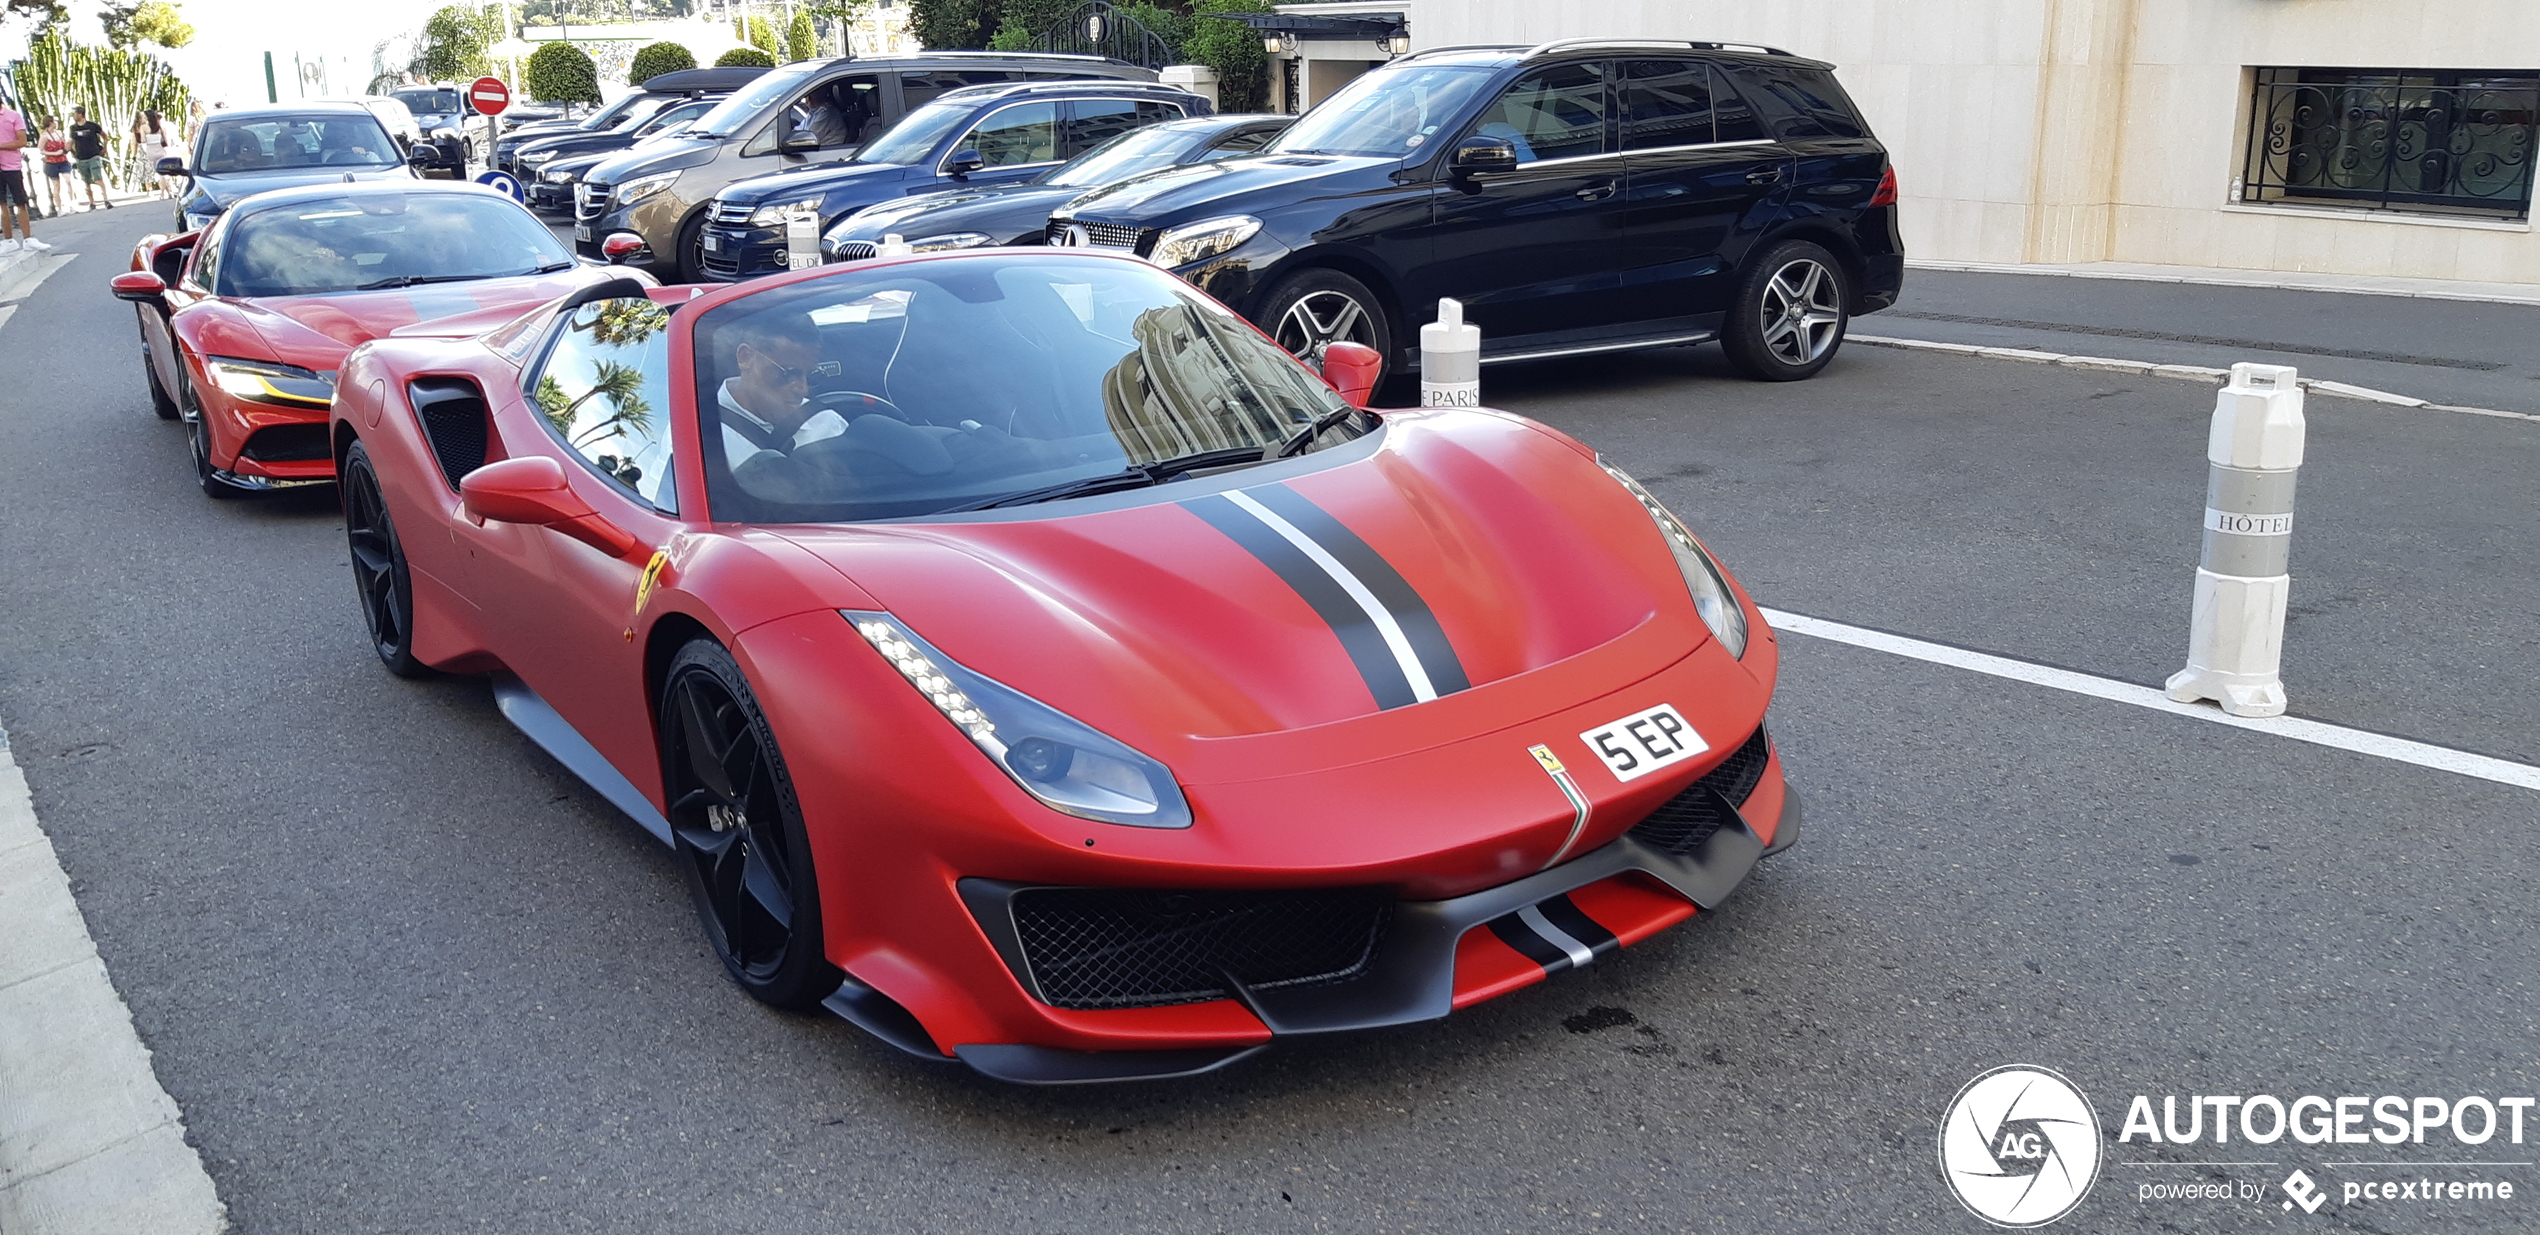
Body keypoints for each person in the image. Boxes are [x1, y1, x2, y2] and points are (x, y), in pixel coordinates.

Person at [717, 314, 839, 469]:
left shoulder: (827, 422)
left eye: (811, 375)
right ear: (746, 357)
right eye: (788, 373)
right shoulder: (704, 440)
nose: (803, 389)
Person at [0, 96, 45, 253]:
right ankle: (8, 240)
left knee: (20, 202)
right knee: (2, 204)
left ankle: (28, 238)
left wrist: (1, 146)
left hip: (12, 166)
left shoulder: (13, 116)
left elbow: (21, 141)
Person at [68, 107, 108, 211]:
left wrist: (104, 148)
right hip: (81, 157)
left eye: (75, 114)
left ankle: (106, 199)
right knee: (86, 181)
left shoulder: (92, 126)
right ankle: (92, 202)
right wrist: (71, 151)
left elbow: (104, 136)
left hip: (94, 154)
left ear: (80, 114)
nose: (74, 116)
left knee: (97, 178)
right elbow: (71, 140)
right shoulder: (73, 128)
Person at [38, 116, 70, 219]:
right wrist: (53, 153)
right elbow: (40, 149)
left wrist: (64, 150)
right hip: (52, 162)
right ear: (51, 123)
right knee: (56, 185)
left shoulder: (59, 133)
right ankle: (59, 208)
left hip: (63, 160)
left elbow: (65, 144)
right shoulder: (44, 136)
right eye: (54, 121)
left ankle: (71, 204)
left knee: (68, 180)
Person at [134, 109, 170, 197]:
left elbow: (143, 140)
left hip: (150, 150)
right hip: (160, 150)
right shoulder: (160, 126)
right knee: (163, 172)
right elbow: (165, 139)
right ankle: (166, 192)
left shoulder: (143, 127)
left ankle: (155, 191)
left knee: (153, 171)